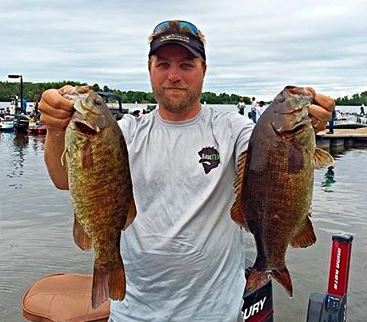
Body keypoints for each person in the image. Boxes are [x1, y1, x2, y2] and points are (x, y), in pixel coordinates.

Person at [38, 20, 335, 322]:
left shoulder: (232, 128)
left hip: (216, 312)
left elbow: (274, 155)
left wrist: (307, 125)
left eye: (186, 65)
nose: (174, 76)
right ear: (150, 69)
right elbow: (63, 180)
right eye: (163, 64)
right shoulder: (122, 132)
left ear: (204, 69)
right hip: (134, 312)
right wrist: (55, 127)